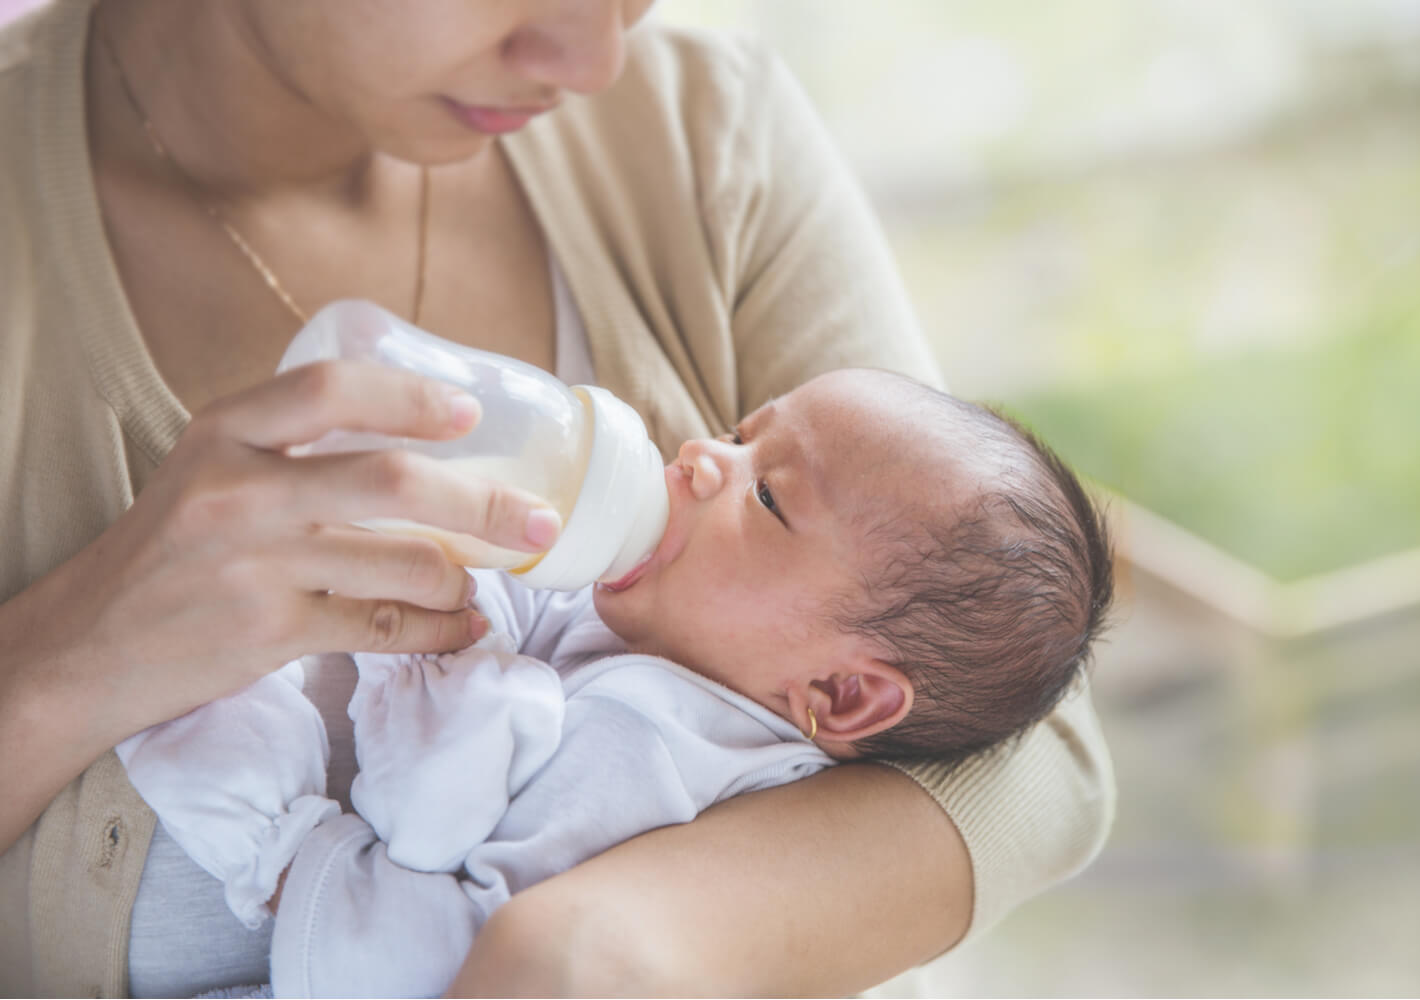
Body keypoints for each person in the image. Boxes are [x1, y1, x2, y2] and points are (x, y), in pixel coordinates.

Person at [0, 0, 1116, 995]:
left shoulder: (701, 133)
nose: (591, 61)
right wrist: (74, 654)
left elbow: (1030, 754)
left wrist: (592, 943)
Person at [116, 368, 1115, 996]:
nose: (703, 457)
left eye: (768, 494)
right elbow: (511, 608)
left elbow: (445, 873)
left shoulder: (662, 752)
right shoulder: (663, 623)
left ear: (843, 695)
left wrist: (452, 691)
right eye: (740, 432)